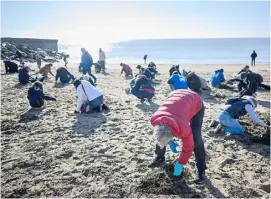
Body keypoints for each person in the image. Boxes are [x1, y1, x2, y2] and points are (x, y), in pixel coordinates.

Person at [148, 90, 206, 185]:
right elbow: (161, 135)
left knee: (196, 138)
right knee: (161, 136)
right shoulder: (154, 119)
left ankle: (201, 170)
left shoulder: (184, 129)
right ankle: (159, 157)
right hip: (175, 95)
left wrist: (179, 165)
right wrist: (170, 142)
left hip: (195, 102)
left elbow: (188, 148)